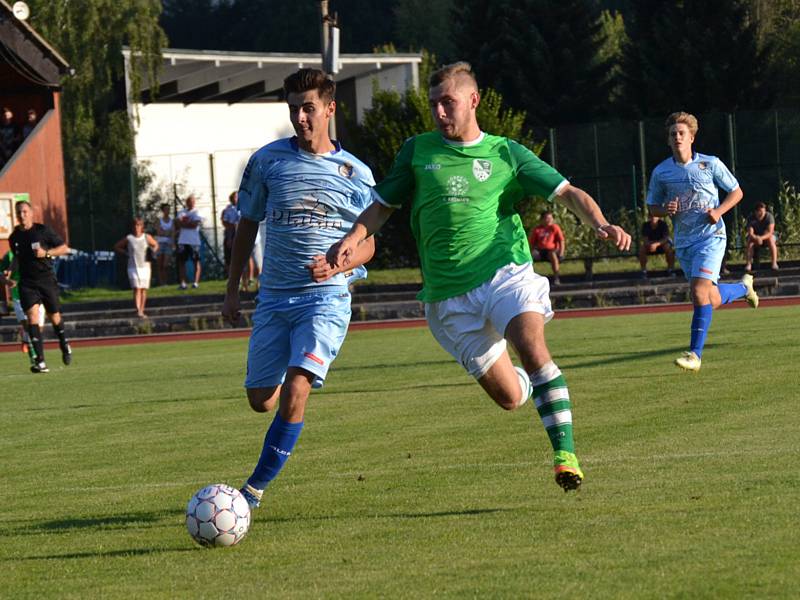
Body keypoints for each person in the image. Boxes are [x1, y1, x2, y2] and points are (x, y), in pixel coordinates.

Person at [327, 62, 631, 492]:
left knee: (531, 344)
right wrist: (353, 237)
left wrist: (600, 223)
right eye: (433, 104)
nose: (439, 112)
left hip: (504, 272)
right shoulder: (417, 150)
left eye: (447, 102)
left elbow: (567, 193)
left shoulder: (507, 153)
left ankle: (565, 454)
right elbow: (382, 206)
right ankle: (536, 387)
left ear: (473, 100)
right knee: (510, 398)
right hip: (447, 297)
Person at [221, 68, 376, 511]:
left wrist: (340, 261)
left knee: (297, 387)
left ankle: (250, 492)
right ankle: (276, 440)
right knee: (260, 400)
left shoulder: (356, 173)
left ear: (329, 109)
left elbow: (371, 245)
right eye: (293, 109)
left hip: (325, 299)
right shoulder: (267, 161)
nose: (301, 118)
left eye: (308, 108)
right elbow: (247, 224)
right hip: (273, 298)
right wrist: (233, 290)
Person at [646, 112, 759, 372]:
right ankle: (744, 288)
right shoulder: (661, 172)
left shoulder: (710, 164)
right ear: (668, 140)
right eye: (673, 133)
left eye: (681, 133)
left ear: (692, 137)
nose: (677, 137)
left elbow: (737, 192)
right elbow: (652, 208)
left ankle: (695, 355)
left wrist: (718, 212)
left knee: (698, 292)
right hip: (684, 242)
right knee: (711, 297)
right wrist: (665, 210)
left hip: (712, 238)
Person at [7, 200, 73, 373]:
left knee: (54, 317)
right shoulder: (14, 237)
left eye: (24, 212)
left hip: (46, 280)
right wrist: (10, 270)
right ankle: (41, 362)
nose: (22, 215)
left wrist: (47, 253)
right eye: (19, 212)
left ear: (31, 212)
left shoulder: (42, 231)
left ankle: (64, 342)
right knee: (32, 319)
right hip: (27, 283)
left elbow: (64, 248)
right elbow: (17, 257)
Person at [1, 248, 45, 366]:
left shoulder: (37, 250)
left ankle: (25, 339)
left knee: (38, 329)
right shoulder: (9, 255)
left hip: (37, 294)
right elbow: (1, 274)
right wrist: (8, 281)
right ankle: (35, 357)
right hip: (18, 295)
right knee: (29, 326)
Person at [114, 218, 158, 318]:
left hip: (145, 266)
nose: (136, 227)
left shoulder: (146, 237)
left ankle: (142, 310)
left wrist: (152, 252)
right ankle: (137, 309)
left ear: (142, 227)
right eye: (135, 225)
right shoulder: (129, 238)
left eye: (138, 225)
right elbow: (117, 246)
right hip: (133, 266)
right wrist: (125, 253)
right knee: (136, 288)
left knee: (143, 289)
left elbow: (155, 244)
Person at [528, 210, 565, 284]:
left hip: (552, 250)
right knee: (529, 257)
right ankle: (529, 279)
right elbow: (532, 243)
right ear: (542, 219)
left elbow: (561, 241)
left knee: (552, 255)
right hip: (540, 250)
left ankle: (556, 277)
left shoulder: (554, 227)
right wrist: (532, 252)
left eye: (551, 218)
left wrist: (561, 253)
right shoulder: (537, 229)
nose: (549, 220)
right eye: (547, 218)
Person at [175, 194, 204, 289]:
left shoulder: (197, 212)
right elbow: (178, 223)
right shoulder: (181, 212)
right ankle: (183, 282)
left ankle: (195, 282)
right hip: (183, 241)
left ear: (194, 203)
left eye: (192, 202)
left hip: (194, 241)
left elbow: (194, 225)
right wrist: (187, 223)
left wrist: (185, 223)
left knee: (196, 261)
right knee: (181, 261)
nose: (190, 203)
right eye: (189, 201)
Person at [744, 202, 779, 272]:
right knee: (750, 242)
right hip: (756, 238)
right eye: (759, 212)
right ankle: (748, 264)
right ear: (756, 212)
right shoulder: (751, 218)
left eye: (763, 212)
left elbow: (770, 232)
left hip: (767, 237)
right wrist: (756, 238)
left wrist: (761, 238)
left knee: (771, 240)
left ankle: (774, 263)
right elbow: (750, 233)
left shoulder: (769, 217)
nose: (761, 214)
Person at [154, 203, 175, 286]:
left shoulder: (172, 221)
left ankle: (166, 281)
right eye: (166, 209)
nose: (168, 211)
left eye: (169, 209)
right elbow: (159, 232)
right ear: (163, 210)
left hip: (168, 244)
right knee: (160, 265)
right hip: (160, 244)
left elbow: (173, 233)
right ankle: (161, 283)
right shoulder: (159, 221)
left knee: (165, 265)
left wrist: (172, 242)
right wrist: (168, 232)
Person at [221, 191, 240, 278]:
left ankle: (242, 277)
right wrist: (232, 226)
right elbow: (225, 222)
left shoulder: (242, 208)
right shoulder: (227, 209)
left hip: (240, 234)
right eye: (234, 197)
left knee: (239, 257)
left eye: (237, 197)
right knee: (229, 257)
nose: (235, 199)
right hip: (230, 234)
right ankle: (230, 276)